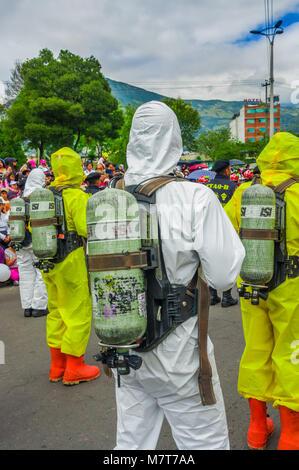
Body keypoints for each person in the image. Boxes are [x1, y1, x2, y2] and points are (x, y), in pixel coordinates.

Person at [110, 101, 245, 450]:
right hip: (179, 354)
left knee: (132, 443)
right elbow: (224, 277)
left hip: (124, 345)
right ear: (174, 140)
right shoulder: (194, 196)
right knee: (204, 443)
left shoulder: (110, 198)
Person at [224, 132, 299, 450]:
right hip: (291, 285)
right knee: (292, 353)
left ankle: (257, 428)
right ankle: (292, 436)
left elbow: (225, 231)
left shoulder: (244, 192)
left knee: (256, 350)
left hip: (251, 283)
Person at [42, 147, 100, 386]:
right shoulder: (76, 196)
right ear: (77, 169)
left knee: (56, 310)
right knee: (77, 309)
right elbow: (88, 229)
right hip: (71, 258)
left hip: (48, 260)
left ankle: (57, 366)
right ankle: (75, 367)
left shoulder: (44, 195)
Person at [205, 159, 239, 308]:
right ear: (226, 170)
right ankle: (226, 297)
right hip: (227, 229)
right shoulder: (233, 186)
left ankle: (212, 295)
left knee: (211, 260)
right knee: (228, 261)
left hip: (209, 229)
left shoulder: (207, 187)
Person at [17, 169, 48, 318]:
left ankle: (27, 306)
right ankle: (39, 306)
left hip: (21, 242)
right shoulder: (41, 197)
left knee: (25, 274)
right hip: (38, 239)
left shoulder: (20, 199)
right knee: (41, 272)